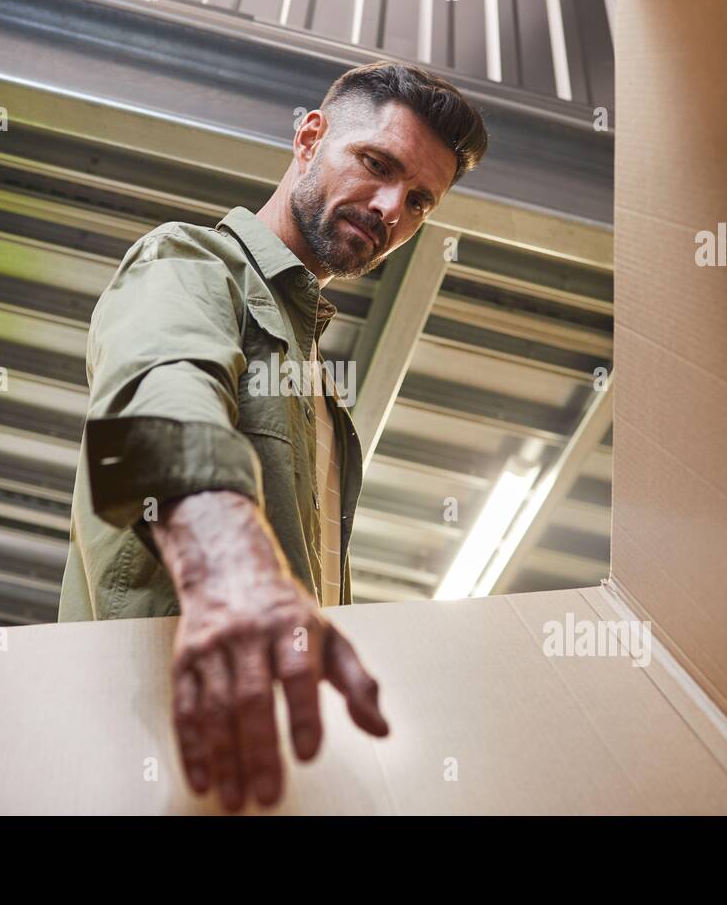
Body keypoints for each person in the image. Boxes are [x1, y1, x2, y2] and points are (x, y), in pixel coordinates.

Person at [59, 59, 489, 811]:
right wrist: (230, 567)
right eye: (377, 164)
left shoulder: (326, 399)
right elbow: (154, 402)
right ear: (310, 136)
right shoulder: (193, 262)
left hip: (277, 774)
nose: (392, 208)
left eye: (419, 201)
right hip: (151, 762)